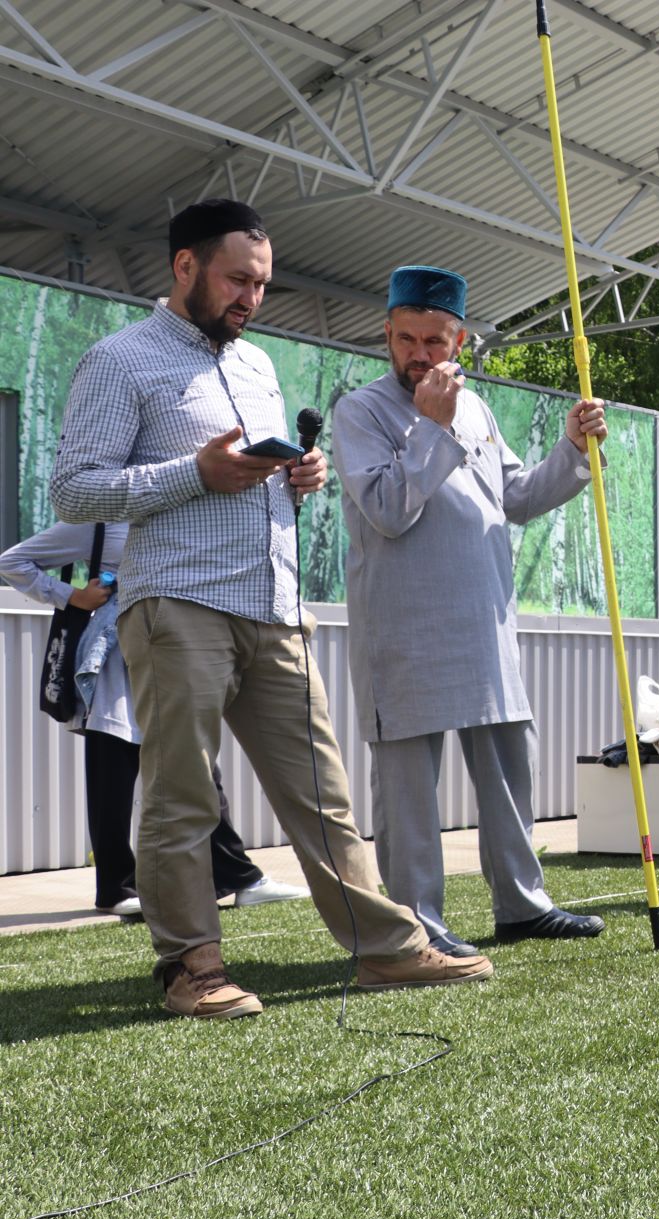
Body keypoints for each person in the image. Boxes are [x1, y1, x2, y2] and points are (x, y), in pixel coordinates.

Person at [49, 198, 488, 1019]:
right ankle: (192, 966)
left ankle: (386, 950)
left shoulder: (257, 366)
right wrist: (193, 474)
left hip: (274, 607)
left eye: (262, 284)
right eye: (238, 279)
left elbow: (247, 474)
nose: (252, 298)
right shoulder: (119, 360)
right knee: (184, 795)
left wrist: (299, 481)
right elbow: (73, 487)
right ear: (185, 267)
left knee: (324, 796)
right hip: (176, 603)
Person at [333, 266, 608, 956]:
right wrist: (430, 425)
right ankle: (417, 923)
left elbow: (512, 497)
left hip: (485, 624)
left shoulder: (478, 408)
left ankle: (522, 903)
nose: (418, 355)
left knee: (511, 767)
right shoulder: (360, 412)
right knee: (409, 791)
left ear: (461, 341)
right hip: (404, 630)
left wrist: (571, 450)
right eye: (404, 339)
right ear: (386, 336)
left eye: (433, 341)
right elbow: (389, 511)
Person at [2, 521, 309, 915]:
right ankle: (117, 888)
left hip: (172, 655)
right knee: (113, 780)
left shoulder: (180, 515)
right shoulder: (99, 522)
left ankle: (237, 876)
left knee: (196, 770)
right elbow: (13, 562)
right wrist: (73, 596)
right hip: (114, 671)